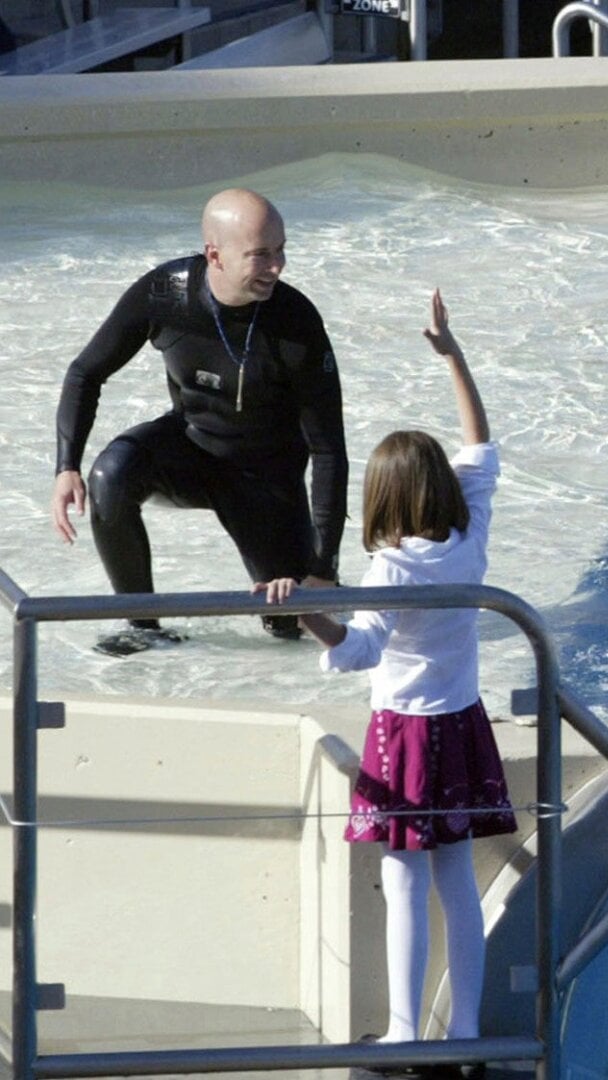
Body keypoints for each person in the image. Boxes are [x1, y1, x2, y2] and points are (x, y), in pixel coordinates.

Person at [258, 290, 511, 1078]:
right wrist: (450, 352)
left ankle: (406, 1035)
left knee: (404, 881)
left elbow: (360, 649)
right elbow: (481, 445)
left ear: (383, 498)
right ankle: (462, 1033)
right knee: (456, 882)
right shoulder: (468, 535)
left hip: (404, 734)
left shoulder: (391, 566)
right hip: (463, 722)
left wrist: (304, 613)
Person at [52, 188, 347, 656]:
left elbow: (329, 449)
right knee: (110, 476)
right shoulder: (166, 295)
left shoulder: (296, 323)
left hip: (266, 479)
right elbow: (85, 372)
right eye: (261, 255)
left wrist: (323, 566)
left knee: (293, 632)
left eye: (281, 250)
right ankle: (143, 628)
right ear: (215, 255)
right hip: (191, 449)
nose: (278, 267)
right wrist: (66, 465)